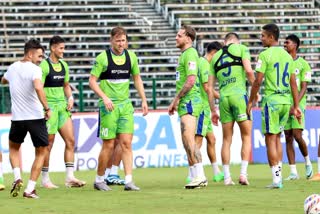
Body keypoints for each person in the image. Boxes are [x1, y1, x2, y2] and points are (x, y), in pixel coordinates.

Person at [89, 26, 148, 191]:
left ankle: (129, 181)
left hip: (125, 106)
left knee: (127, 143)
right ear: (111, 41)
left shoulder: (131, 57)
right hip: (109, 107)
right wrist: (104, 97)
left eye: (123, 41)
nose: (121, 44)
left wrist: (143, 99)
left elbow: (137, 78)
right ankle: (99, 180)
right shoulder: (103, 58)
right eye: (118, 41)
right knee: (108, 144)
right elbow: (92, 81)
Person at [247, 23, 301, 189]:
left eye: (263, 36)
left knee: (270, 138)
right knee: (278, 137)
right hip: (286, 102)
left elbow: (257, 81)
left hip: (272, 101)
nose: (261, 38)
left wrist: (251, 101)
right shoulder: (287, 56)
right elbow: (293, 83)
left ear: (271, 37)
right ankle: (279, 176)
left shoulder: (265, 55)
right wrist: (296, 106)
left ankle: (276, 179)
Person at [1, 39, 51, 198]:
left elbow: (3, 80)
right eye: (39, 56)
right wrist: (47, 108)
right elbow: (37, 87)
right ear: (30, 53)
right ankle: (29, 189)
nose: (41, 59)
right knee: (41, 152)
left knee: (14, 148)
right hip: (35, 117)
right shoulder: (35, 69)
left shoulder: (12, 67)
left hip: (17, 119)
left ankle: (17, 177)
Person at [168, 25, 217, 189]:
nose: (176, 37)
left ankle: (200, 176)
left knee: (190, 140)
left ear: (188, 38)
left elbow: (190, 80)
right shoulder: (185, 55)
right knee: (187, 141)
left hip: (190, 101)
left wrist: (175, 99)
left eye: (179, 35)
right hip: (186, 102)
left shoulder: (190, 53)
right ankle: (197, 176)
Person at [40, 35, 86, 188]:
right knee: (48, 144)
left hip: (62, 107)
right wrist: (45, 108)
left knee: (70, 141)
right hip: (50, 108)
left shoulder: (64, 65)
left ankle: (70, 178)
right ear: (53, 48)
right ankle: (45, 179)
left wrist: (70, 98)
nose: (63, 51)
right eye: (61, 48)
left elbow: (66, 85)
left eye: (63, 48)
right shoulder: (44, 66)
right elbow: (38, 87)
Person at [210, 32, 255, 186]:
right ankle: (243, 174)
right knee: (246, 136)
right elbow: (249, 71)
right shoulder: (242, 48)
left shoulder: (215, 58)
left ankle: (227, 178)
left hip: (223, 99)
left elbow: (210, 88)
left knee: (226, 140)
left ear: (225, 42)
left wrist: (213, 111)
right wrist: (255, 92)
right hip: (239, 96)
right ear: (236, 41)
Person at [191, 41, 223, 183]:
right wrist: (222, 97)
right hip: (202, 108)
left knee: (212, 139)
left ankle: (216, 172)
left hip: (203, 107)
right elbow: (207, 88)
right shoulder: (204, 64)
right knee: (197, 141)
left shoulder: (202, 63)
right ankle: (193, 173)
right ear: (214, 52)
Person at [283, 34, 313, 180]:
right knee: (288, 136)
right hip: (285, 104)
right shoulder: (283, 63)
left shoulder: (303, 64)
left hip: (298, 105)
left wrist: (296, 105)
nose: (284, 45)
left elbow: (303, 87)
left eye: (287, 43)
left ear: (294, 45)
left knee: (297, 135)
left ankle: (307, 162)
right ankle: (293, 171)